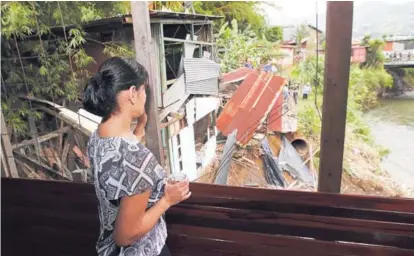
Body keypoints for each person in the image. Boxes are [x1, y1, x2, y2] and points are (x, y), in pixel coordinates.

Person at [83, 57, 191, 256]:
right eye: (144, 90)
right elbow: (124, 236)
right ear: (133, 93)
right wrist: (167, 200)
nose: (145, 96)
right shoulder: (137, 158)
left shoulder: (97, 138)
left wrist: (139, 128)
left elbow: (120, 165)